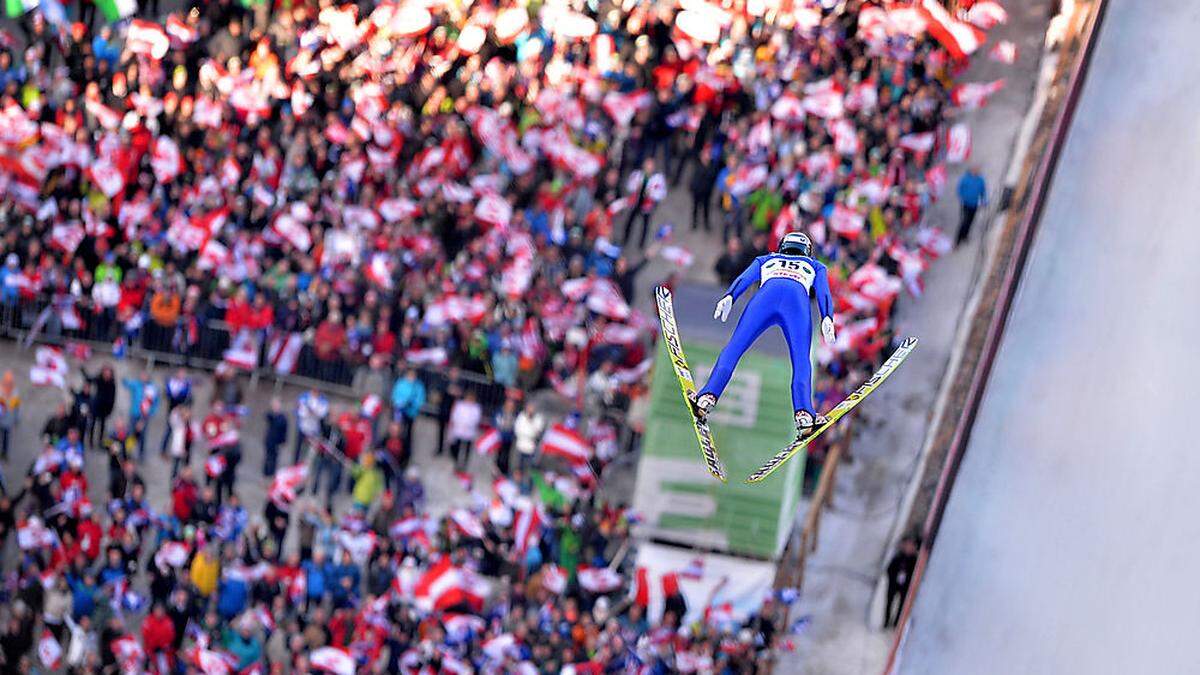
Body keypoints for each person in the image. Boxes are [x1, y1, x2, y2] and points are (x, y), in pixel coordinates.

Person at [694, 231, 837, 440]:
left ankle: (708, 396)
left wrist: (730, 297)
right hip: (796, 304)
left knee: (734, 348)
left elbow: (745, 278)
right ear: (807, 251)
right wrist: (827, 316)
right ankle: (804, 414)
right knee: (801, 361)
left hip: (765, 300)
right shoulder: (815, 265)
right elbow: (823, 292)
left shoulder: (767, 258)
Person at [622, 158, 667, 249]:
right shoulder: (637, 175)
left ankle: (641, 243)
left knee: (645, 225)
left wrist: (652, 194)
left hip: (647, 205)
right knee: (630, 221)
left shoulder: (658, 179)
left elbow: (662, 194)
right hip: (636, 203)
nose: (648, 170)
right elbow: (629, 186)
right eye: (647, 167)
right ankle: (625, 238)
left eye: (650, 167)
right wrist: (636, 187)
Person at [884, 537, 919, 628]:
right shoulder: (898, 557)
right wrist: (893, 579)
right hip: (894, 584)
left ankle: (896, 623)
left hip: (905, 587)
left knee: (902, 605)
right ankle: (886, 622)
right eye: (908, 545)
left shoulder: (914, 560)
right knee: (889, 602)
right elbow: (889, 570)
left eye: (911, 546)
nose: (909, 548)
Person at [447, 390, 482, 472]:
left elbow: (476, 419)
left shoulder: (476, 408)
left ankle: (464, 464)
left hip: (469, 431)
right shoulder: (459, 405)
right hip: (459, 429)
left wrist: (468, 425)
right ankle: (456, 461)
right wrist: (459, 423)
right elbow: (455, 415)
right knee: (456, 446)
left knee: (467, 449)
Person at [955, 166, 988, 246]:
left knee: (970, 222)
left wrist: (984, 200)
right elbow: (959, 188)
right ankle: (958, 240)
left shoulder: (980, 180)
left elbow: (983, 191)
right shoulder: (965, 179)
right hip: (966, 204)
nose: (976, 172)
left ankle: (965, 236)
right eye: (975, 171)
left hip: (974, 204)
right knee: (964, 221)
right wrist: (962, 197)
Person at [263, 398, 288, 477]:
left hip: (277, 441)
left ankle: (271, 474)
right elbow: (267, 416)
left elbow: (284, 429)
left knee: (274, 458)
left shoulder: (282, 417)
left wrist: (283, 441)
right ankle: (266, 473)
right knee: (268, 457)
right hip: (269, 440)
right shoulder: (271, 415)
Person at [0, 370, 19, 461]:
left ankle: (4, 453)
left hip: (7, 421)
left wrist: (16, 419)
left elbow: (15, 407)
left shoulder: (15, 393)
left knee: (6, 438)